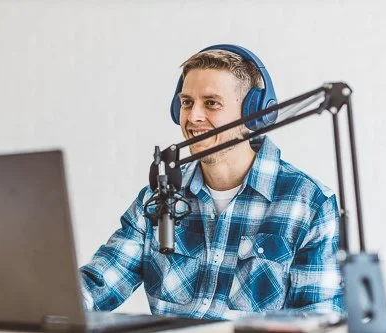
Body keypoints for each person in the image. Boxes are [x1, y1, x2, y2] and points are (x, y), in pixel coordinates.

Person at [80, 44, 344, 319]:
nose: (193, 116)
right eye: (186, 102)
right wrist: (50, 305)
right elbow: (100, 282)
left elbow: (320, 319)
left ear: (255, 112)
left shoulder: (309, 204)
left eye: (211, 103)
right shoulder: (159, 196)